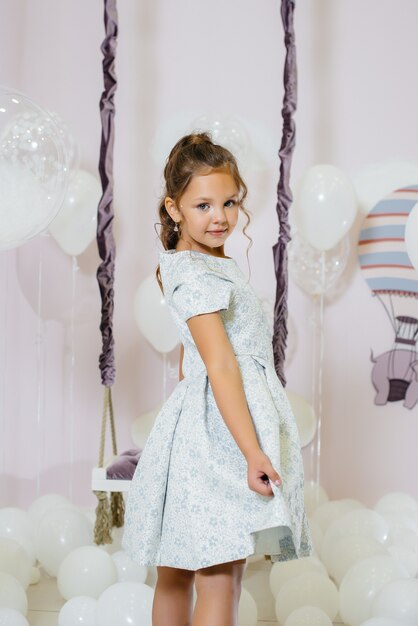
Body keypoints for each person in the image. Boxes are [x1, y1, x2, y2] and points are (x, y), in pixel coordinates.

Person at [122, 132, 312, 626]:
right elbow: (220, 365)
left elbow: (191, 364)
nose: (220, 216)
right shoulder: (198, 273)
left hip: (203, 427)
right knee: (217, 573)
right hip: (221, 436)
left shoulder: (200, 265)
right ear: (175, 207)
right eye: (203, 205)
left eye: (228, 202)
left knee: (180, 569)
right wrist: (252, 452)